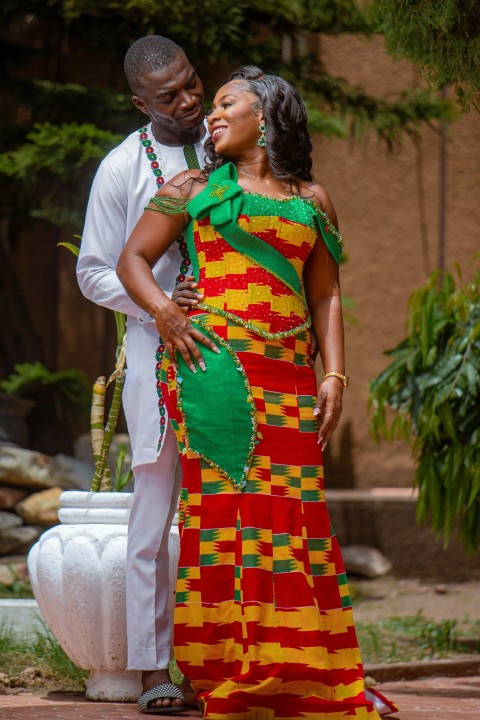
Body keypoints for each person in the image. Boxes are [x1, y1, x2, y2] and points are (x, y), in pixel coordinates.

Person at [117, 66, 399, 718]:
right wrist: (165, 311)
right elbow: (132, 259)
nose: (211, 115)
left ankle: (305, 669)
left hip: (290, 378)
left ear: (266, 115)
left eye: (226, 103)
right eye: (211, 105)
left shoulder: (312, 199)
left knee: (295, 523)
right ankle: (224, 671)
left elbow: (324, 291)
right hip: (212, 368)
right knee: (223, 521)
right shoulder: (194, 186)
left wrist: (334, 374)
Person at [76, 35, 209, 713]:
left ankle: (219, 659)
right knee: (153, 515)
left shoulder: (225, 144)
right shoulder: (122, 167)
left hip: (228, 353)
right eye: (169, 96)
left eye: (192, 85)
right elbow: (93, 271)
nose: (188, 102)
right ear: (138, 102)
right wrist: (159, 307)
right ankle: (154, 668)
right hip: (155, 354)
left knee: (222, 514)